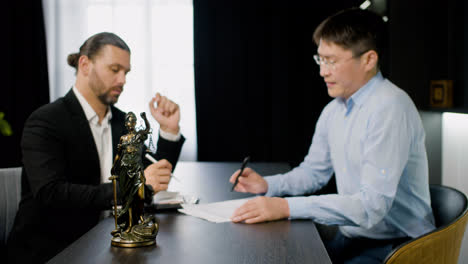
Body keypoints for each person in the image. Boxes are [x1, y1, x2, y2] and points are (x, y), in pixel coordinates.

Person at [229, 8, 435, 264]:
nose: (322, 72)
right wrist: (269, 186)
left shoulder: (390, 108)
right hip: (354, 234)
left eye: (332, 61)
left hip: (401, 245)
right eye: (321, 60)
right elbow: (314, 172)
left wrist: (285, 207)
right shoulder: (334, 110)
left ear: (369, 60)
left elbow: (371, 207)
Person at [7, 32, 185, 263]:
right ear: (85, 64)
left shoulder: (124, 123)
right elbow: (51, 194)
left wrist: (169, 131)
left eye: (126, 72)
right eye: (114, 69)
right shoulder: (46, 120)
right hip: (54, 250)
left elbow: (153, 174)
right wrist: (134, 186)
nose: (122, 80)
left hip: (110, 245)